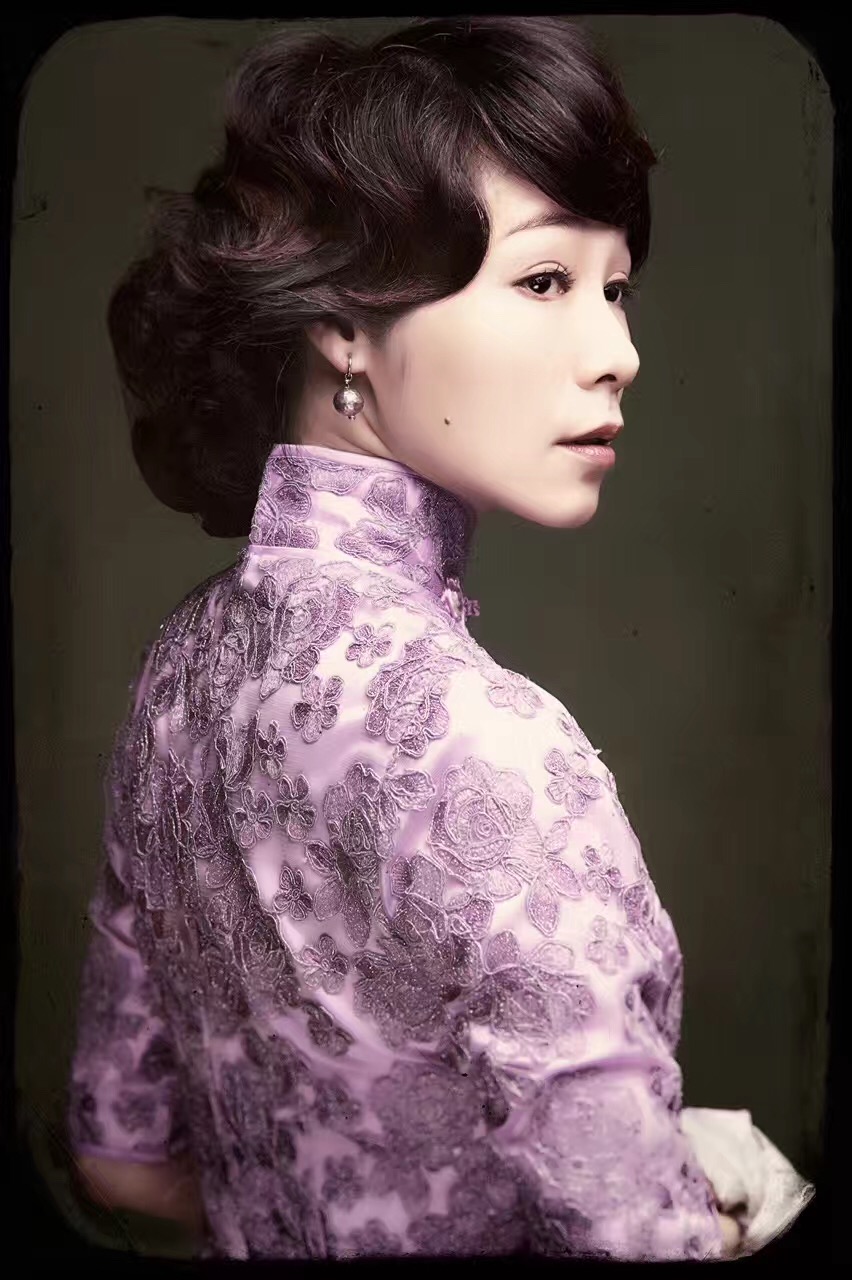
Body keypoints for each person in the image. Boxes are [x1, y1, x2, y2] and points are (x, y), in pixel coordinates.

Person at [65, 15, 746, 1260]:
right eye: (544, 281)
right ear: (340, 320)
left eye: (615, 288)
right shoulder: (490, 747)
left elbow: (123, 1161)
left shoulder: (177, 674)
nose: (619, 354)